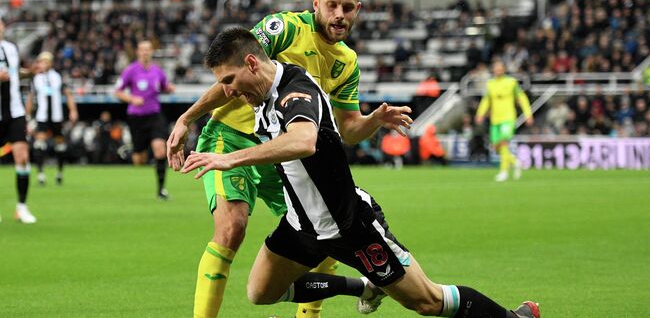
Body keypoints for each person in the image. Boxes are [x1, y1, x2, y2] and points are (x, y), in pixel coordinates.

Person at [181, 27, 541, 318]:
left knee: (427, 302)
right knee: (260, 292)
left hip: (350, 225)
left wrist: (231, 158)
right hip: (302, 226)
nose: (226, 91)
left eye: (229, 79)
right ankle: (364, 286)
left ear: (252, 63)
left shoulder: (295, 92)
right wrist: (187, 119)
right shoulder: (259, 96)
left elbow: (304, 140)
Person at [167, 0, 412, 318]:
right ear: (316, 4)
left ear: (358, 9)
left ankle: (336, 301)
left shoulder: (348, 63)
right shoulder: (284, 28)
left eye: (347, 7)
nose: (339, 15)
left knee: (324, 240)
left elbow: (349, 130)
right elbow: (231, 72)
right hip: (230, 138)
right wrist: (187, 117)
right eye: (332, 6)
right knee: (231, 229)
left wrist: (373, 121)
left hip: (282, 154)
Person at [115, 40, 175, 199]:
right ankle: (130, 151)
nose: (145, 52)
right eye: (142, 50)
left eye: (148, 50)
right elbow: (118, 92)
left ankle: (161, 190)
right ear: (137, 52)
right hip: (136, 117)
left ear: (151, 51)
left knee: (160, 149)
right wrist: (131, 99)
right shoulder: (131, 70)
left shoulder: (157, 71)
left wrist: (169, 89)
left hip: (154, 115)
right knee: (139, 159)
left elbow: (165, 86)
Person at [0, 16, 36, 223]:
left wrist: (30, 72)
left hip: (15, 111)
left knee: (22, 156)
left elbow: (13, 74)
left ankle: (21, 207)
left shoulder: (11, 49)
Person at [475, 59, 533, 182]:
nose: (498, 70)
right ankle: (515, 162)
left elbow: (521, 97)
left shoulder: (511, 83)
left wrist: (528, 113)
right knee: (496, 147)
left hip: (508, 118)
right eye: (496, 68)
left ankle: (504, 172)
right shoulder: (490, 84)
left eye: (500, 68)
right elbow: (486, 100)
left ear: (504, 69)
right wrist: (480, 114)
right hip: (495, 119)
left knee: (503, 143)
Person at [25, 51, 78, 185]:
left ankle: (59, 173)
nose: (43, 64)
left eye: (46, 61)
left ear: (50, 63)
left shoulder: (58, 77)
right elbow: (30, 98)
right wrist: (26, 116)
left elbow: (68, 94)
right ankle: (41, 175)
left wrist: (73, 110)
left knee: (60, 144)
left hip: (57, 116)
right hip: (42, 116)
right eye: (41, 61)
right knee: (39, 144)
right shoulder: (35, 78)